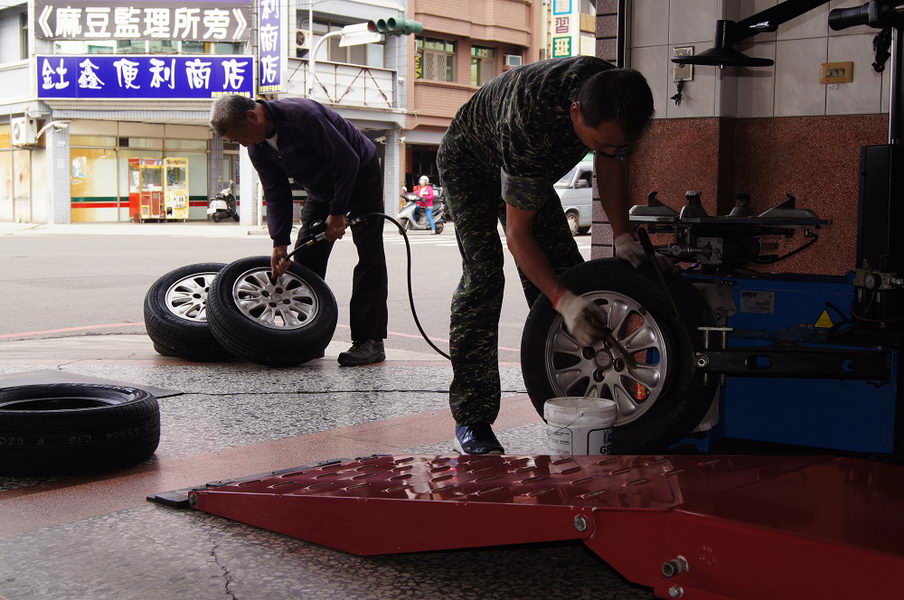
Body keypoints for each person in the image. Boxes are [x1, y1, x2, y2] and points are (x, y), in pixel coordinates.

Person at [437, 56, 667, 454]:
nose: (610, 150)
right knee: (485, 276)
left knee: (567, 274)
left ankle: (581, 404)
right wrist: (564, 302)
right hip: (472, 166)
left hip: (528, 172)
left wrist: (623, 234)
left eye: (619, 144)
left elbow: (610, 163)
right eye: (600, 142)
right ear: (575, 112)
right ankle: (472, 419)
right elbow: (518, 235)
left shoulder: (613, 93)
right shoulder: (532, 121)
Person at [209, 94, 388, 366]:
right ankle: (308, 337)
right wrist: (279, 241)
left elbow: (346, 161)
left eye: (239, 137)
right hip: (321, 189)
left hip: (360, 176)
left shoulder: (303, 115)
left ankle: (370, 341)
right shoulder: (257, 148)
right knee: (306, 262)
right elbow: (276, 192)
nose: (241, 144)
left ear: (252, 116)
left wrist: (338, 214)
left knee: (369, 257)